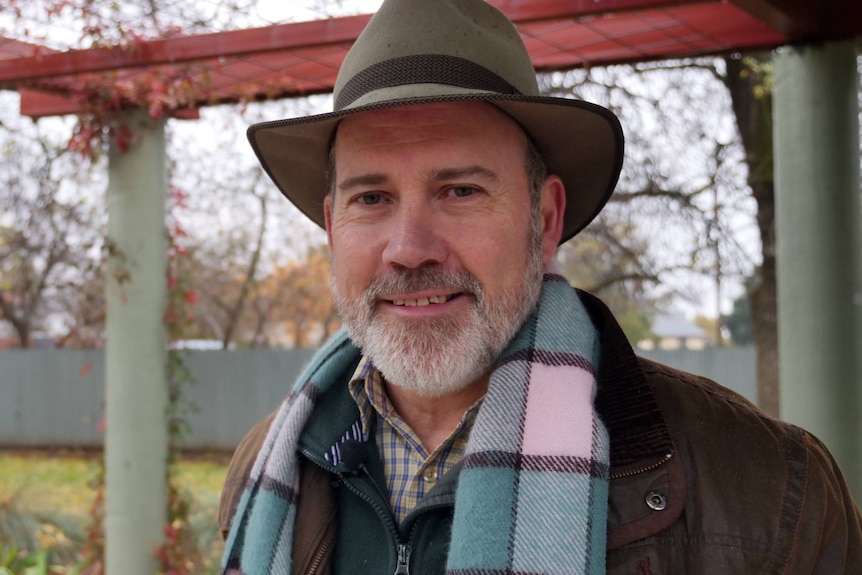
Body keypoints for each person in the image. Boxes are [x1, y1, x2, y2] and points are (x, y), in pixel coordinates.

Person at [219, 0, 862, 573]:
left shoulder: (773, 492)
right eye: (372, 197)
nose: (409, 250)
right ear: (333, 227)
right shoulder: (267, 466)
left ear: (545, 219)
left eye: (460, 191)